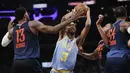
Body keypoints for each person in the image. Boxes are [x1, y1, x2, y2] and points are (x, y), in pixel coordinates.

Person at [1, 7, 84, 73]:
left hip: (16, 63)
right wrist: (71, 19)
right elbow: (53, 30)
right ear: (25, 15)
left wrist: (9, 30)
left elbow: (3, 43)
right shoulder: (32, 24)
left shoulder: (12, 30)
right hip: (30, 61)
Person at [50, 7, 91, 73]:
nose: (72, 26)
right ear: (65, 29)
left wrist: (88, 11)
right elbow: (63, 19)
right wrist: (73, 12)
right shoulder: (61, 37)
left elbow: (88, 25)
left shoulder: (77, 42)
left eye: (73, 25)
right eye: (69, 25)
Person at [96, 6, 130, 73]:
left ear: (115, 16)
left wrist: (98, 25)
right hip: (123, 57)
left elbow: (107, 42)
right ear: (126, 15)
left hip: (109, 59)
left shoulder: (111, 28)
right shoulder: (125, 24)